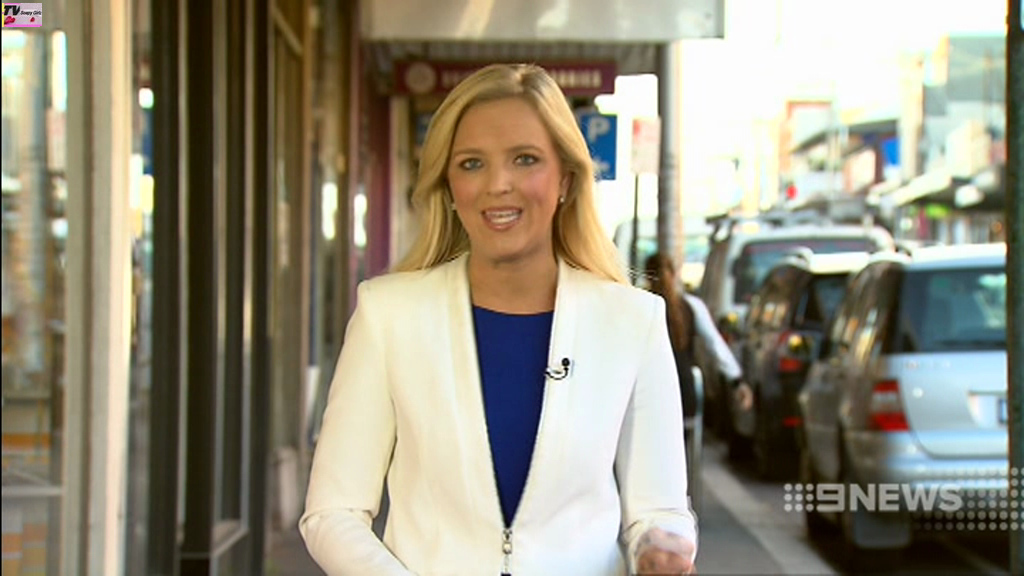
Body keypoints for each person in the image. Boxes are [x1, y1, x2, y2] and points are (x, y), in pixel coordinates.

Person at [300, 63, 698, 575]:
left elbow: (660, 511)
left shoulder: (633, 322)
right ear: (449, 186)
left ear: (565, 179)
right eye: (471, 164)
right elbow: (332, 513)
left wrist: (660, 549)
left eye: (525, 159)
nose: (497, 184)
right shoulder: (387, 316)